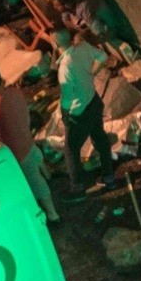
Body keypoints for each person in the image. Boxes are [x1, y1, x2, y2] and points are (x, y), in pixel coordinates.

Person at [0, 66, 57, 220]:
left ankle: (53, 214)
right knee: (38, 163)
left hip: (18, 155)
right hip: (29, 142)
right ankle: (49, 174)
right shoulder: (15, 92)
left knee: (37, 184)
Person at [52, 28, 114, 193]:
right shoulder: (84, 47)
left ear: (55, 43)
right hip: (93, 101)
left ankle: (77, 188)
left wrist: (66, 116)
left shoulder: (65, 68)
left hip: (79, 113)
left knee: (71, 149)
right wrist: (92, 73)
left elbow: (66, 99)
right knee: (100, 138)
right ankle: (108, 175)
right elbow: (102, 56)